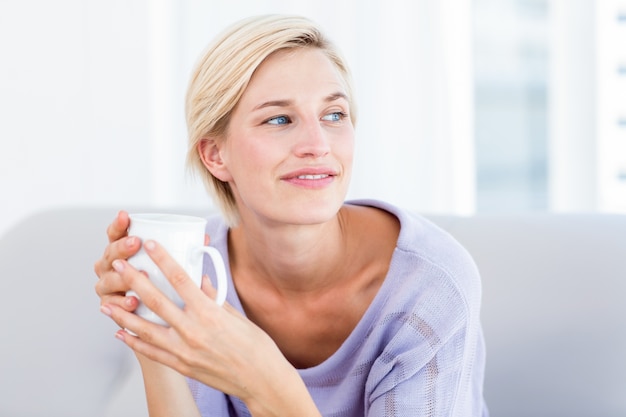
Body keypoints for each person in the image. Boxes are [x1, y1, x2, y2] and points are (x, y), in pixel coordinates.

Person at [94, 14, 488, 417]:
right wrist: (155, 336)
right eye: (279, 119)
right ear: (216, 155)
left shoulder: (428, 288)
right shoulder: (197, 273)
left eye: (334, 115)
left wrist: (269, 383)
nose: (318, 144)